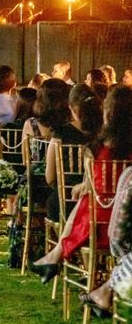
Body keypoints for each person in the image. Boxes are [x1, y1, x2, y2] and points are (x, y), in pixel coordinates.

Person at [31, 86, 132, 284]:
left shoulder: (100, 147)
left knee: (84, 200)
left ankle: (58, 258)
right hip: (126, 218)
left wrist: (78, 188)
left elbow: (91, 185)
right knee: (85, 200)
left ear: (109, 113)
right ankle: (55, 258)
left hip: (102, 224)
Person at [78, 165, 132, 317]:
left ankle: (103, 292)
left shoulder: (129, 176)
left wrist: (122, 256)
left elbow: (116, 235)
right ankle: (103, 292)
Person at [44, 84, 102, 221]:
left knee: (51, 201)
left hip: (66, 200)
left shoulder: (61, 133)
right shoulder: (104, 134)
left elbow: (50, 177)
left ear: (72, 108)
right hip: (99, 201)